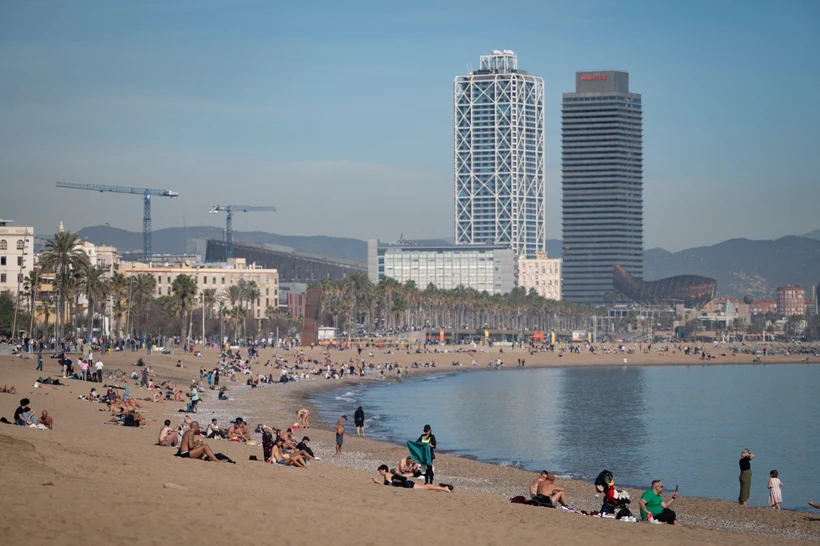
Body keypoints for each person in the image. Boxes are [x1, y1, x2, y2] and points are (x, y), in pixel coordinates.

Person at [372, 465, 452, 492]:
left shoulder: (387, 475)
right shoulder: (388, 475)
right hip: (407, 484)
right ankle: (442, 487)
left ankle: (444, 488)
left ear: (384, 470)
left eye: (380, 471)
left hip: (407, 485)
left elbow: (387, 485)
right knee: (426, 487)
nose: (380, 472)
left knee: (426, 488)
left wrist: (377, 481)